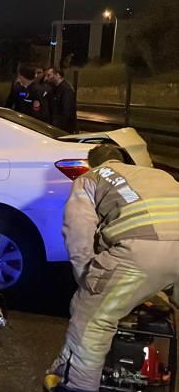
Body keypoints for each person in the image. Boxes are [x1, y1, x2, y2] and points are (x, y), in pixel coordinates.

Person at [45, 144, 179, 392]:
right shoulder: (159, 174)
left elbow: (78, 231)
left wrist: (88, 278)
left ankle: (76, 387)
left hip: (141, 251)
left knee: (92, 322)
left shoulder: (90, 178)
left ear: (92, 163)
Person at [45, 67, 78, 133]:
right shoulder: (55, 89)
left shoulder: (66, 90)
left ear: (58, 75)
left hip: (64, 129)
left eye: (49, 75)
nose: (46, 78)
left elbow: (67, 112)